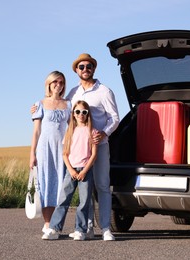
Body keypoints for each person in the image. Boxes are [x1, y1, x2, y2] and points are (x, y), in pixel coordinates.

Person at [67, 53, 119, 241]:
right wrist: (38, 108)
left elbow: (114, 117)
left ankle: (105, 228)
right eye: (81, 67)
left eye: (89, 66)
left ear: (94, 68)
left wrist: (104, 132)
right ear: (76, 70)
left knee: (103, 186)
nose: (85, 69)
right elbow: (64, 114)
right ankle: (87, 227)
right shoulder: (73, 93)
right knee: (85, 189)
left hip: (100, 145)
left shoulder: (104, 91)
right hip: (80, 149)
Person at [42, 100, 98, 241]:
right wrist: (71, 170)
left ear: (87, 114)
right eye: (77, 112)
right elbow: (65, 154)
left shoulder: (92, 131)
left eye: (84, 112)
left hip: (85, 171)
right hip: (71, 170)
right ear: (73, 114)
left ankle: (80, 230)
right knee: (63, 200)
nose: (80, 114)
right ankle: (54, 228)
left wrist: (84, 171)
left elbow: (94, 155)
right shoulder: (70, 131)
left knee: (84, 202)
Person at [30, 71, 72, 234]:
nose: (58, 85)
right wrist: (32, 154)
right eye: (55, 82)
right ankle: (48, 223)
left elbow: (72, 128)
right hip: (44, 149)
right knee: (46, 184)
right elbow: (36, 131)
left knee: (61, 186)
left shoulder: (68, 104)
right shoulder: (39, 104)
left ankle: (55, 223)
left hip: (62, 150)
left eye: (61, 82)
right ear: (49, 83)